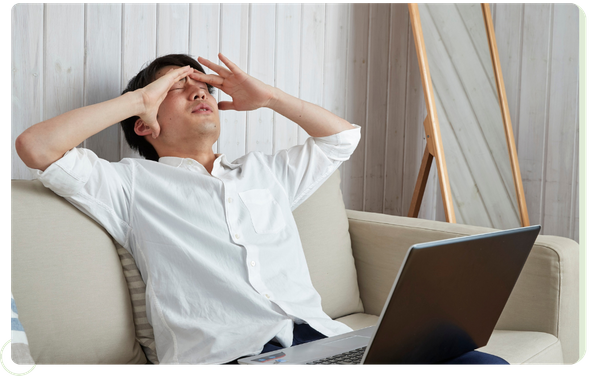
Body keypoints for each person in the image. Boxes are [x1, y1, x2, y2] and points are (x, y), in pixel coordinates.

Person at [15, 53, 508, 367]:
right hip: (233, 357)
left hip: (325, 342)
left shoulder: (263, 174)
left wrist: (268, 97)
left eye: (203, 86)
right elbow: (37, 147)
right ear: (143, 124)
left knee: (484, 366)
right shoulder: (128, 184)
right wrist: (138, 97)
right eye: (178, 89)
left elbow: (342, 138)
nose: (200, 91)